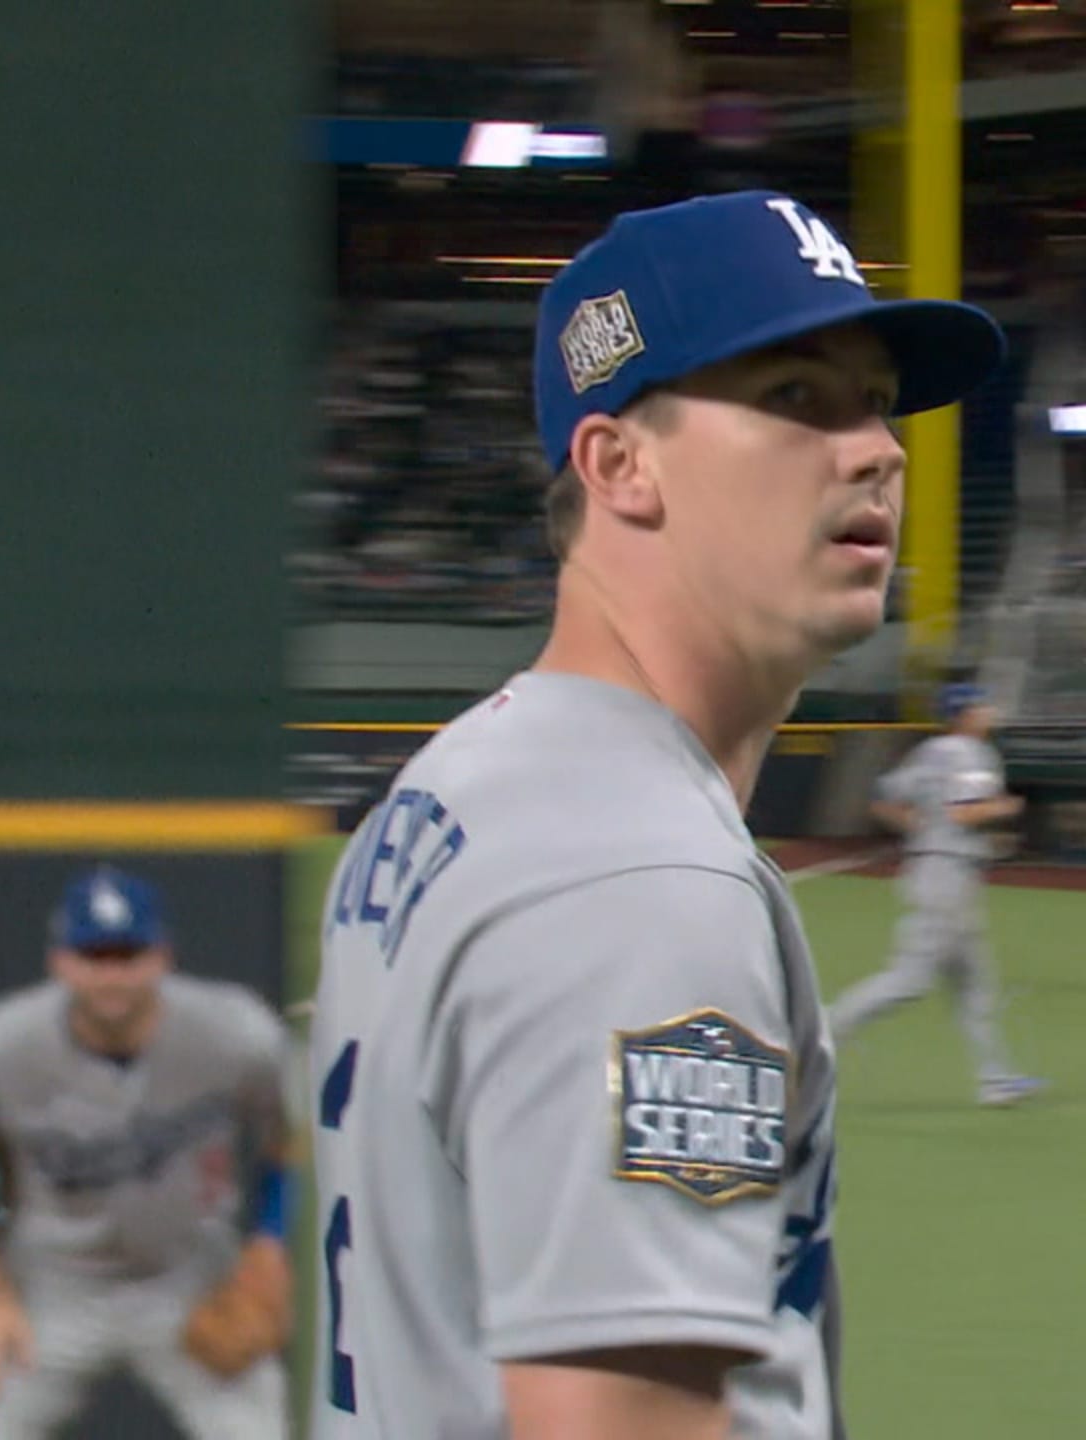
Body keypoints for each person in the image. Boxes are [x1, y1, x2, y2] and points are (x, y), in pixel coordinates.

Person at [306, 190, 1006, 1439]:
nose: (878, 450)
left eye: (875, 401)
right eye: (797, 398)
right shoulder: (639, 884)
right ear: (618, 465)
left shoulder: (457, 788)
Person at [0, 865, 295, 1440]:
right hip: (55, 1286)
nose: (112, 975)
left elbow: (287, 1138)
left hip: (190, 1276)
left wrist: (270, 1239)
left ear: (163, 957)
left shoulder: (235, 1033)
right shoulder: (0, 1049)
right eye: (94, 955)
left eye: (128, 955)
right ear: (60, 961)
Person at [827, 681, 1045, 1105]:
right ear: (964, 714)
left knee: (973, 985)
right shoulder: (968, 753)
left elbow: (884, 798)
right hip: (947, 878)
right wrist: (1004, 808)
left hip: (937, 871)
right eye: (980, 706)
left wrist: (920, 829)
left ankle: (995, 1079)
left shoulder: (933, 750)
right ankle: (826, 1027)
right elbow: (963, 812)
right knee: (912, 979)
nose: (988, 712)